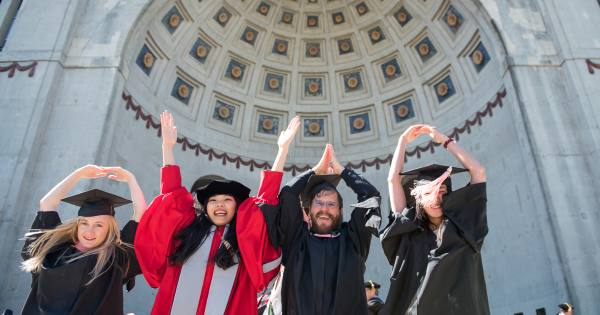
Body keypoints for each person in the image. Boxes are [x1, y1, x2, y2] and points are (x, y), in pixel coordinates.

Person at [134, 111, 300, 315]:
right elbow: (171, 197)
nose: (219, 205)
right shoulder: (187, 233)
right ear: (205, 207)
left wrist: (282, 151)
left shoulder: (244, 241)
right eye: (213, 200)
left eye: (227, 200)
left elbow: (265, 201)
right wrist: (167, 147)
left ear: (237, 206)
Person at [259, 143, 381, 315]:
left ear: (340, 210)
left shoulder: (354, 241)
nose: (324, 208)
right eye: (318, 203)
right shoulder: (296, 240)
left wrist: (342, 171)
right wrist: (314, 171)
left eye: (331, 204)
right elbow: (288, 194)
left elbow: (370, 196)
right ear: (309, 210)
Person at [380, 125, 489, 315]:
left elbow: (478, 171)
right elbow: (393, 181)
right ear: (418, 200)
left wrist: (444, 140)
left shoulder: (465, 229)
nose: (436, 199)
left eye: (442, 192)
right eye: (428, 193)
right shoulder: (408, 232)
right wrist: (402, 141)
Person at [20, 165, 147, 315]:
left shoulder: (115, 259)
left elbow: (141, 214)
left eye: (98, 225)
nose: (89, 231)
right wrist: (79, 174)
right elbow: (47, 203)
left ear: (110, 230)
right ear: (77, 225)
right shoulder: (56, 250)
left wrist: (130, 179)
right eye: (84, 223)